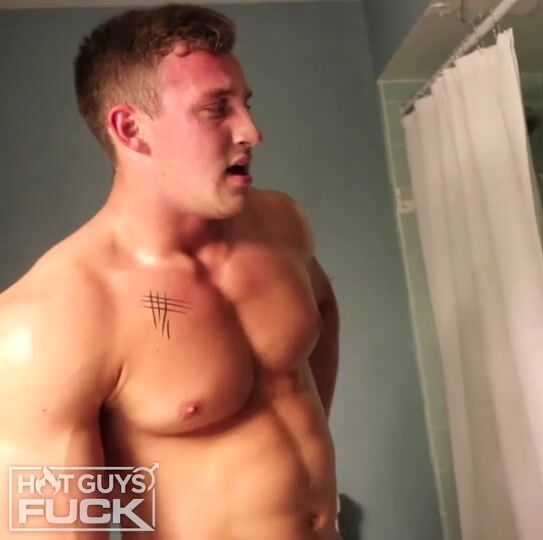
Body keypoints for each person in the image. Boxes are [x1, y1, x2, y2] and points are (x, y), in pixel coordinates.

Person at [0, 4, 341, 539]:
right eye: (216, 108)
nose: (252, 131)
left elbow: (320, 307)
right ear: (131, 128)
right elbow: (53, 527)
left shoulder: (280, 224)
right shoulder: (48, 319)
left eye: (246, 103)